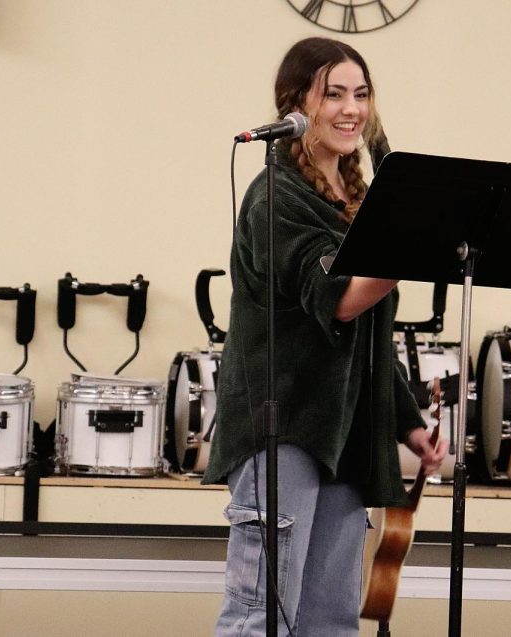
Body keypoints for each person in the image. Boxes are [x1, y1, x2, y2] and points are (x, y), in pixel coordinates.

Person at [202, 36, 449, 636]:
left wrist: (407, 422)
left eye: (361, 94)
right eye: (332, 93)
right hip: (281, 428)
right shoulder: (275, 196)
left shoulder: (358, 201)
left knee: (331, 622)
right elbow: (340, 300)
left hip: (342, 436)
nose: (351, 108)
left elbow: (365, 340)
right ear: (296, 105)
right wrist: (416, 244)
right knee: (261, 616)